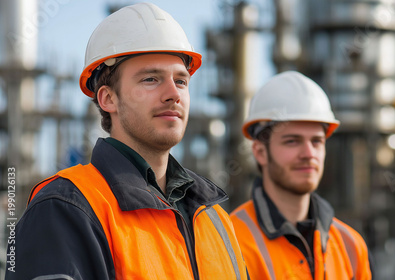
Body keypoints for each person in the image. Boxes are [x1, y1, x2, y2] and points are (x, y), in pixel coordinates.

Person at [6, 3, 247, 279]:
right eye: (151, 79)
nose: (173, 94)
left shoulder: (215, 219)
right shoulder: (65, 209)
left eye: (181, 81)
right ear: (108, 98)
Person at [230, 71, 373, 279]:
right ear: (260, 152)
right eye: (292, 141)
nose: (309, 154)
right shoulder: (230, 241)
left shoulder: (351, 245)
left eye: (316, 141)